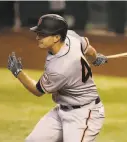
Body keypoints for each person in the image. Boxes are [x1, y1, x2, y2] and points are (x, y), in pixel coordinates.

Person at [7, 14, 108, 142]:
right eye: (38, 33)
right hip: (62, 111)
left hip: (84, 114)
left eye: (43, 34)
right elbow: (90, 50)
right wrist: (95, 59)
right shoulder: (71, 36)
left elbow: (37, 90)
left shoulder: (59, 68)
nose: (38, 37)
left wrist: (18, 72)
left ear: (56, 37)